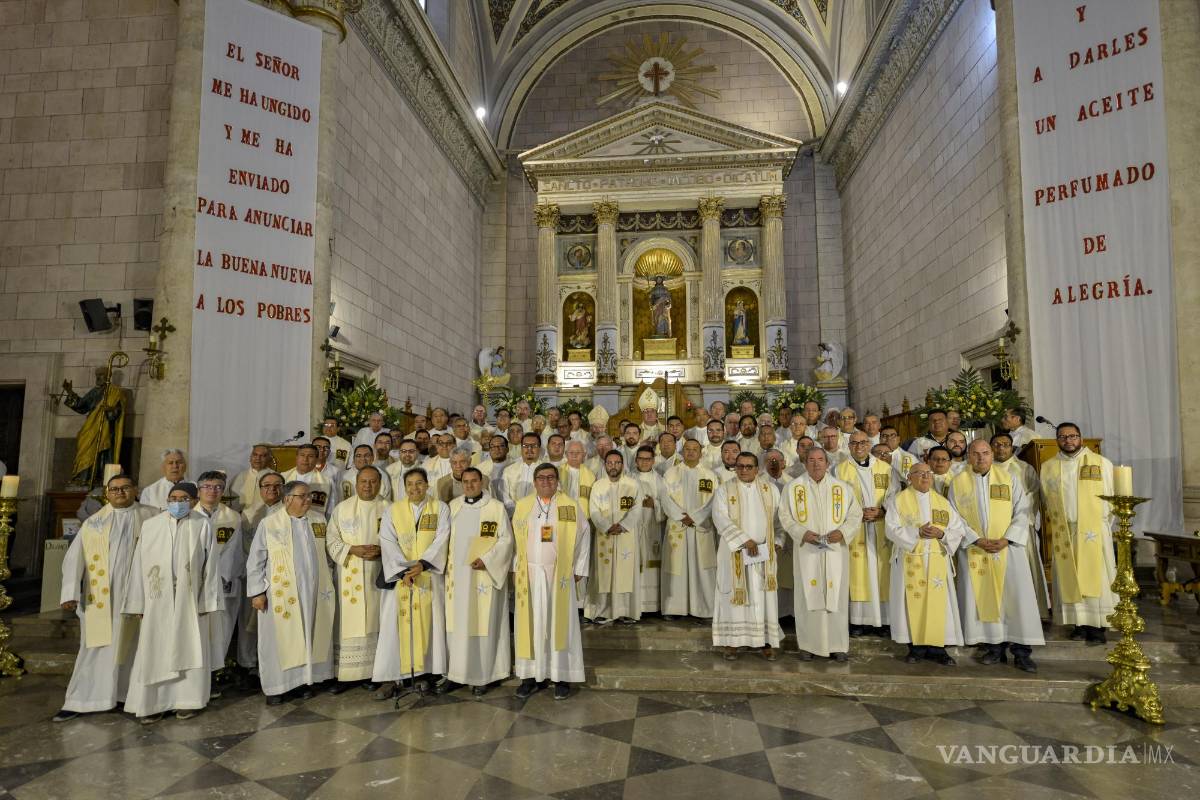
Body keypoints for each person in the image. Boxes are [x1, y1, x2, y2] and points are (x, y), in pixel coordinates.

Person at [53, 474, 157, 722]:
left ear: (135, 490)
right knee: (95, 648)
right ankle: (82, 700)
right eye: (114, 489)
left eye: (125, 488)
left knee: (135, 647)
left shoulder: (152, 516)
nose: (120, 493)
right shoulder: (94, 523)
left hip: (139, 595)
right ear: (107, 494)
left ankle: (126, 696)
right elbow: (74, 559)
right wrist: (69, 593)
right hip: (101, 598)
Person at [124, 482, 221, 723]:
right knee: (155, 648)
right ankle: (154, 703)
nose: (178, 502)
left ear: (192, 499)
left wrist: (207, 601)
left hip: (190, 598)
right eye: (173, 497)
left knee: (189, 646)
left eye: (183, 498)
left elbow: (211, 566)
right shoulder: (151, 525)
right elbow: (138, 564)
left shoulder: (202, 524)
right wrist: (138, 603)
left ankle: (187, 700)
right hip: (157, 599)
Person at [950, 440, 1042, 672]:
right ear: (968, 456)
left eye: (985, 453)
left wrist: (1007, 538)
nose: (981, 458)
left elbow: (1023, 510)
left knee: (1016, 600)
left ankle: (1022, 652)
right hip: (976, 549)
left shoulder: (1009, 478)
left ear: (992, 455)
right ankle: (994, 648)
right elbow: (954, 517)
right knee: (985, 598)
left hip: (1008, 550)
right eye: (975, 454)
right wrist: (975, 539)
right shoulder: (958, 482)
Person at [247, 482, 336, 704]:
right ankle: (277, 687)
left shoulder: (319, 520)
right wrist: (257, 592)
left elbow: (326, 553)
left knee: (309, 636)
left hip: (314, 592)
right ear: (288, 499)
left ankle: (303, 681)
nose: (308, 500)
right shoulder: (270, 524)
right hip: (281, 594)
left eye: (309, 496)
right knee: (280, 642)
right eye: (302, 496)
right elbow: (256, 559)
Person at [512, 464, 591, 700]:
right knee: (530, 625)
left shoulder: (569, 505)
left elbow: (584, 535)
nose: (546, 481)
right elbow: (517, 541)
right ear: (534, 482)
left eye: (550, 477)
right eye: (541, 478)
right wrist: (517, 566)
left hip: (560, 575)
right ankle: (530, 677)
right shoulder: (523, 506)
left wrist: (579, 567)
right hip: (530, 574)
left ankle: (561, 676)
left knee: (560, 625)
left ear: (557, 481)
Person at [778, 449, 863, 662]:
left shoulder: (842, 488)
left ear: (827, 463)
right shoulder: (793, 488)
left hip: (835, 550)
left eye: (820, 460)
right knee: (808, 595)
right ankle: (808, 645)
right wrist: (802, 533)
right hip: (807, 549)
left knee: (836, 597)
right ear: (805, 463)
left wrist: (841, 533)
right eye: (811, 460)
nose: (816, 464)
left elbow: (855, 515)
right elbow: (785, 516)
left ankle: (838, 644)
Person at [436, 468, 514, 697]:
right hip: (457, 579)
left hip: (484, 578)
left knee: (483, 623)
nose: (469, 485)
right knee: (456, 627)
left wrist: (488, 560)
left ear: (482, 482)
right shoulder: (453, 507)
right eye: (465, 482)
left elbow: (506, 541)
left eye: (473, 481)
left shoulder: (495, 508)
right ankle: (455, 674)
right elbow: (442, 539)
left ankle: (483, 675)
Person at [373, 469, 450, 697]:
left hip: (428, 577)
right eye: (410, 484)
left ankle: (426, 673)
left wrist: (423, 565)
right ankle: (395, 676)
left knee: (431, 623)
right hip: (402, 579)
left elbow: (442, 537)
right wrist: (403, 569)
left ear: (427, 485)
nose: (414, 488)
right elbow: (387, 540)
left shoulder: (440, 508)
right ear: (404, 486)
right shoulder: (393, 510)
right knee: (394, 626)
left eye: (419, 483)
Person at [885, 462, 968, 666]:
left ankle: (938, 648)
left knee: (940, 605)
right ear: (909, 477)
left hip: (936, 559)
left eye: (928, 473)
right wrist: (916, 533)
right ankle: (916, 647)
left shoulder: (942, 502)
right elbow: (891, 529)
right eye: (919, 474)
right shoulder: (898, 501)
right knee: (912, 604)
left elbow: (958, 530)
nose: (925, 477)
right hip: (910, 558)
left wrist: (941, 533)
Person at [1041, 422, 1115, 644]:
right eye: (1063, 437)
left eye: (1072, 436)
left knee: (1097, 579)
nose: (1068, 441)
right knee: (1069, 578)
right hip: (1065, 530)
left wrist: (1101, 526)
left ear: (1081, 438)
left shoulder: (1100, 463)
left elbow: (1112, 497)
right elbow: (1046, 499)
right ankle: (1078, 623)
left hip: (1093, 530)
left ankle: (1097, 627)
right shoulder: (1049, 466)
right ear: (1057, 441)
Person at [711, 452, 783, 661]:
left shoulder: (771, 490)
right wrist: (745, 540)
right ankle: (732, 642)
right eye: (740, 466)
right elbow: (720, 518)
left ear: (757, 469)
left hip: (763, 557)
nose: (743, 470)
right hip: (735, 553)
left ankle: (765, 642)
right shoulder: (725, 490)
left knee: (763, 598)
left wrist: (778, 541)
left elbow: (779, 521)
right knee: (734, 596)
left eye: (748, 466)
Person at [323, 465, 389, 693]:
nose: (368, 486)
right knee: (347, 623)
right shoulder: (342, 509)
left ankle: (374, 672)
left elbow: (403, 540)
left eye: (373, 481)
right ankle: (345, 675)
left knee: (375, 620)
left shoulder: (389, 508)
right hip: (349, 574)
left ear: (380, 483)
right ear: (356, 483)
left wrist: (383, 551)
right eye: (363, 481)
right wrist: (351, 549)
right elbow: (330, 540)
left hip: (377, 574)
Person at [835, 431, 896, 637]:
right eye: (854, 443)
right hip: (855, 530)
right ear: (848, 446)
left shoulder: (885, 469)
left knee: (881, 572)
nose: (858, 446)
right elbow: (836, 499)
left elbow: (894, 494)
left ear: (870, 444)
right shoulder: (839, 470)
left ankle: (884, 620)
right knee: (857, 573)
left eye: (862, 442)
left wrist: (883, 511)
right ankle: (858, 621)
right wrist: (855, 514)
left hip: (880, 527)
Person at [991, 432, 1050, 620]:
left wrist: (1016, 520)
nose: (1001, 448)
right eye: (997, 444)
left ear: (1012, 448)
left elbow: (1033, 495)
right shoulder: (983, 469)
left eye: (1005, 444)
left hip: (1020, 529)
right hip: (993, 530)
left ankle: (1030, 613)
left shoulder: (1024, 469)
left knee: (1024, 571)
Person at [194, 471, 244, 686]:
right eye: (207, 486)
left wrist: (223, 577)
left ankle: (215, 673)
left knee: (222, 628)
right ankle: (197, 675)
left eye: (217, 487)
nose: (212, 491)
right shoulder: (189, 515)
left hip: (223, 582)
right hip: (195, 583)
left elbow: (234, 552)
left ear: (223, 491)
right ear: (198, 490)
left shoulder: (232, 517)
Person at [660, 439, 718, 619]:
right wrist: (680, 516)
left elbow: (713, 500)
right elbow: (665, 498)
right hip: (678, 527)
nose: (691, 452)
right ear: (682, 451)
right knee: (676, 568)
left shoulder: (709, 475)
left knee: (703, 568)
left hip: (701, 528)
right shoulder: (671, 473)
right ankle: (674, 609)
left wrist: (697, 517)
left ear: (701, 452)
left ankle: (703, 609)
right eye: (687, 449)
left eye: (695, 449)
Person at [586, 451, 646, 624]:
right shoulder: (598, 485)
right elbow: (594, 509)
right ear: (605, 465)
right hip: (604, 535)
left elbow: (637, 508)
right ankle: (603, 611)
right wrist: (606, 526)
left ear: (622, 464)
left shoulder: (633, 484)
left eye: (617, 462)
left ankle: (626, 611)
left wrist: (623, 526)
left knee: (625, 572)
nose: (613, 466)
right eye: (610, 463)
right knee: (604, 574)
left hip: (625, 535)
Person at [238, 471, 284, 671]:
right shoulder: (249, 513)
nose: (272, 489)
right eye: (266, 485)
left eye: (277, 485)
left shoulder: (288, 513)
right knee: (247, 624)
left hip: (278, 577)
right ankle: (248, 664)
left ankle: (273, 666)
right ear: (260, 489)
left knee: (274, 625)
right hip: (252, 575)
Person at [633, 445, 665, 615]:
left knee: (652, 564)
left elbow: (667, 504)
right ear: (636, 460)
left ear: (653, 460)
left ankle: (652, 605)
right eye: (641, 459)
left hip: (653, 528)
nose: (644, 462)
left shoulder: (660, 480)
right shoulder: (629, 478)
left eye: (648, 459)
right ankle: (636, 603)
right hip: (634, 528)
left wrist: (655, 504)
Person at [282, 444, 340, 519]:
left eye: (310, 456)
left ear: (316, 459)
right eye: (302, 455)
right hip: (286, 523)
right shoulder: (283, 477)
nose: (305, 459)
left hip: (314, 524)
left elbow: (331, 509)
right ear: (296, 457)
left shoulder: (327, 481)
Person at [501, 432, 545, 514]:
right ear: (521, 448)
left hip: (539, 514)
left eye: (534, 446)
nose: (529, 449)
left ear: (539, 448)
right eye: (525, 446)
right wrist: (516, 512)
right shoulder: (509, 470)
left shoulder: (547, 470)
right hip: (514, 514)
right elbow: (505, 496)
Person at [230, 444, 273, 514]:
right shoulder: (239, 477)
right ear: (250, 458)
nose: (258, 458)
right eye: (255, 455)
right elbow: (227, 500)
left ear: (269, 459)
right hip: (240, 520)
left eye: (262, 456)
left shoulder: (275, 477)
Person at [558, 440, 595, 516]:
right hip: (561, 514)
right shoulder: (558, 472)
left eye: (578, 453)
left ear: (584, 455)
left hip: (583, 517)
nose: (574, 455)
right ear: (566, 454)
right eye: (571, 453)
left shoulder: (591, 476)